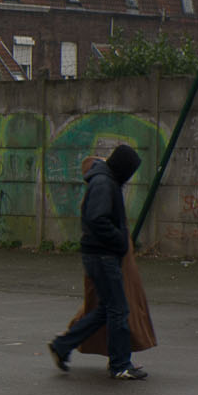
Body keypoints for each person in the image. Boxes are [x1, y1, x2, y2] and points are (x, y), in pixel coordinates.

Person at [49, 143, 149, 380]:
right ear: (124, 168)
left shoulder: (104, 179)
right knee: (118, 309)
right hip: (102, 255)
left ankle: (62, 345)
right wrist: (119, 241)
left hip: (98, 254)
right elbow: (97, 219)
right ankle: (120, 365)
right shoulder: (105, 183)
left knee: (105, 309)